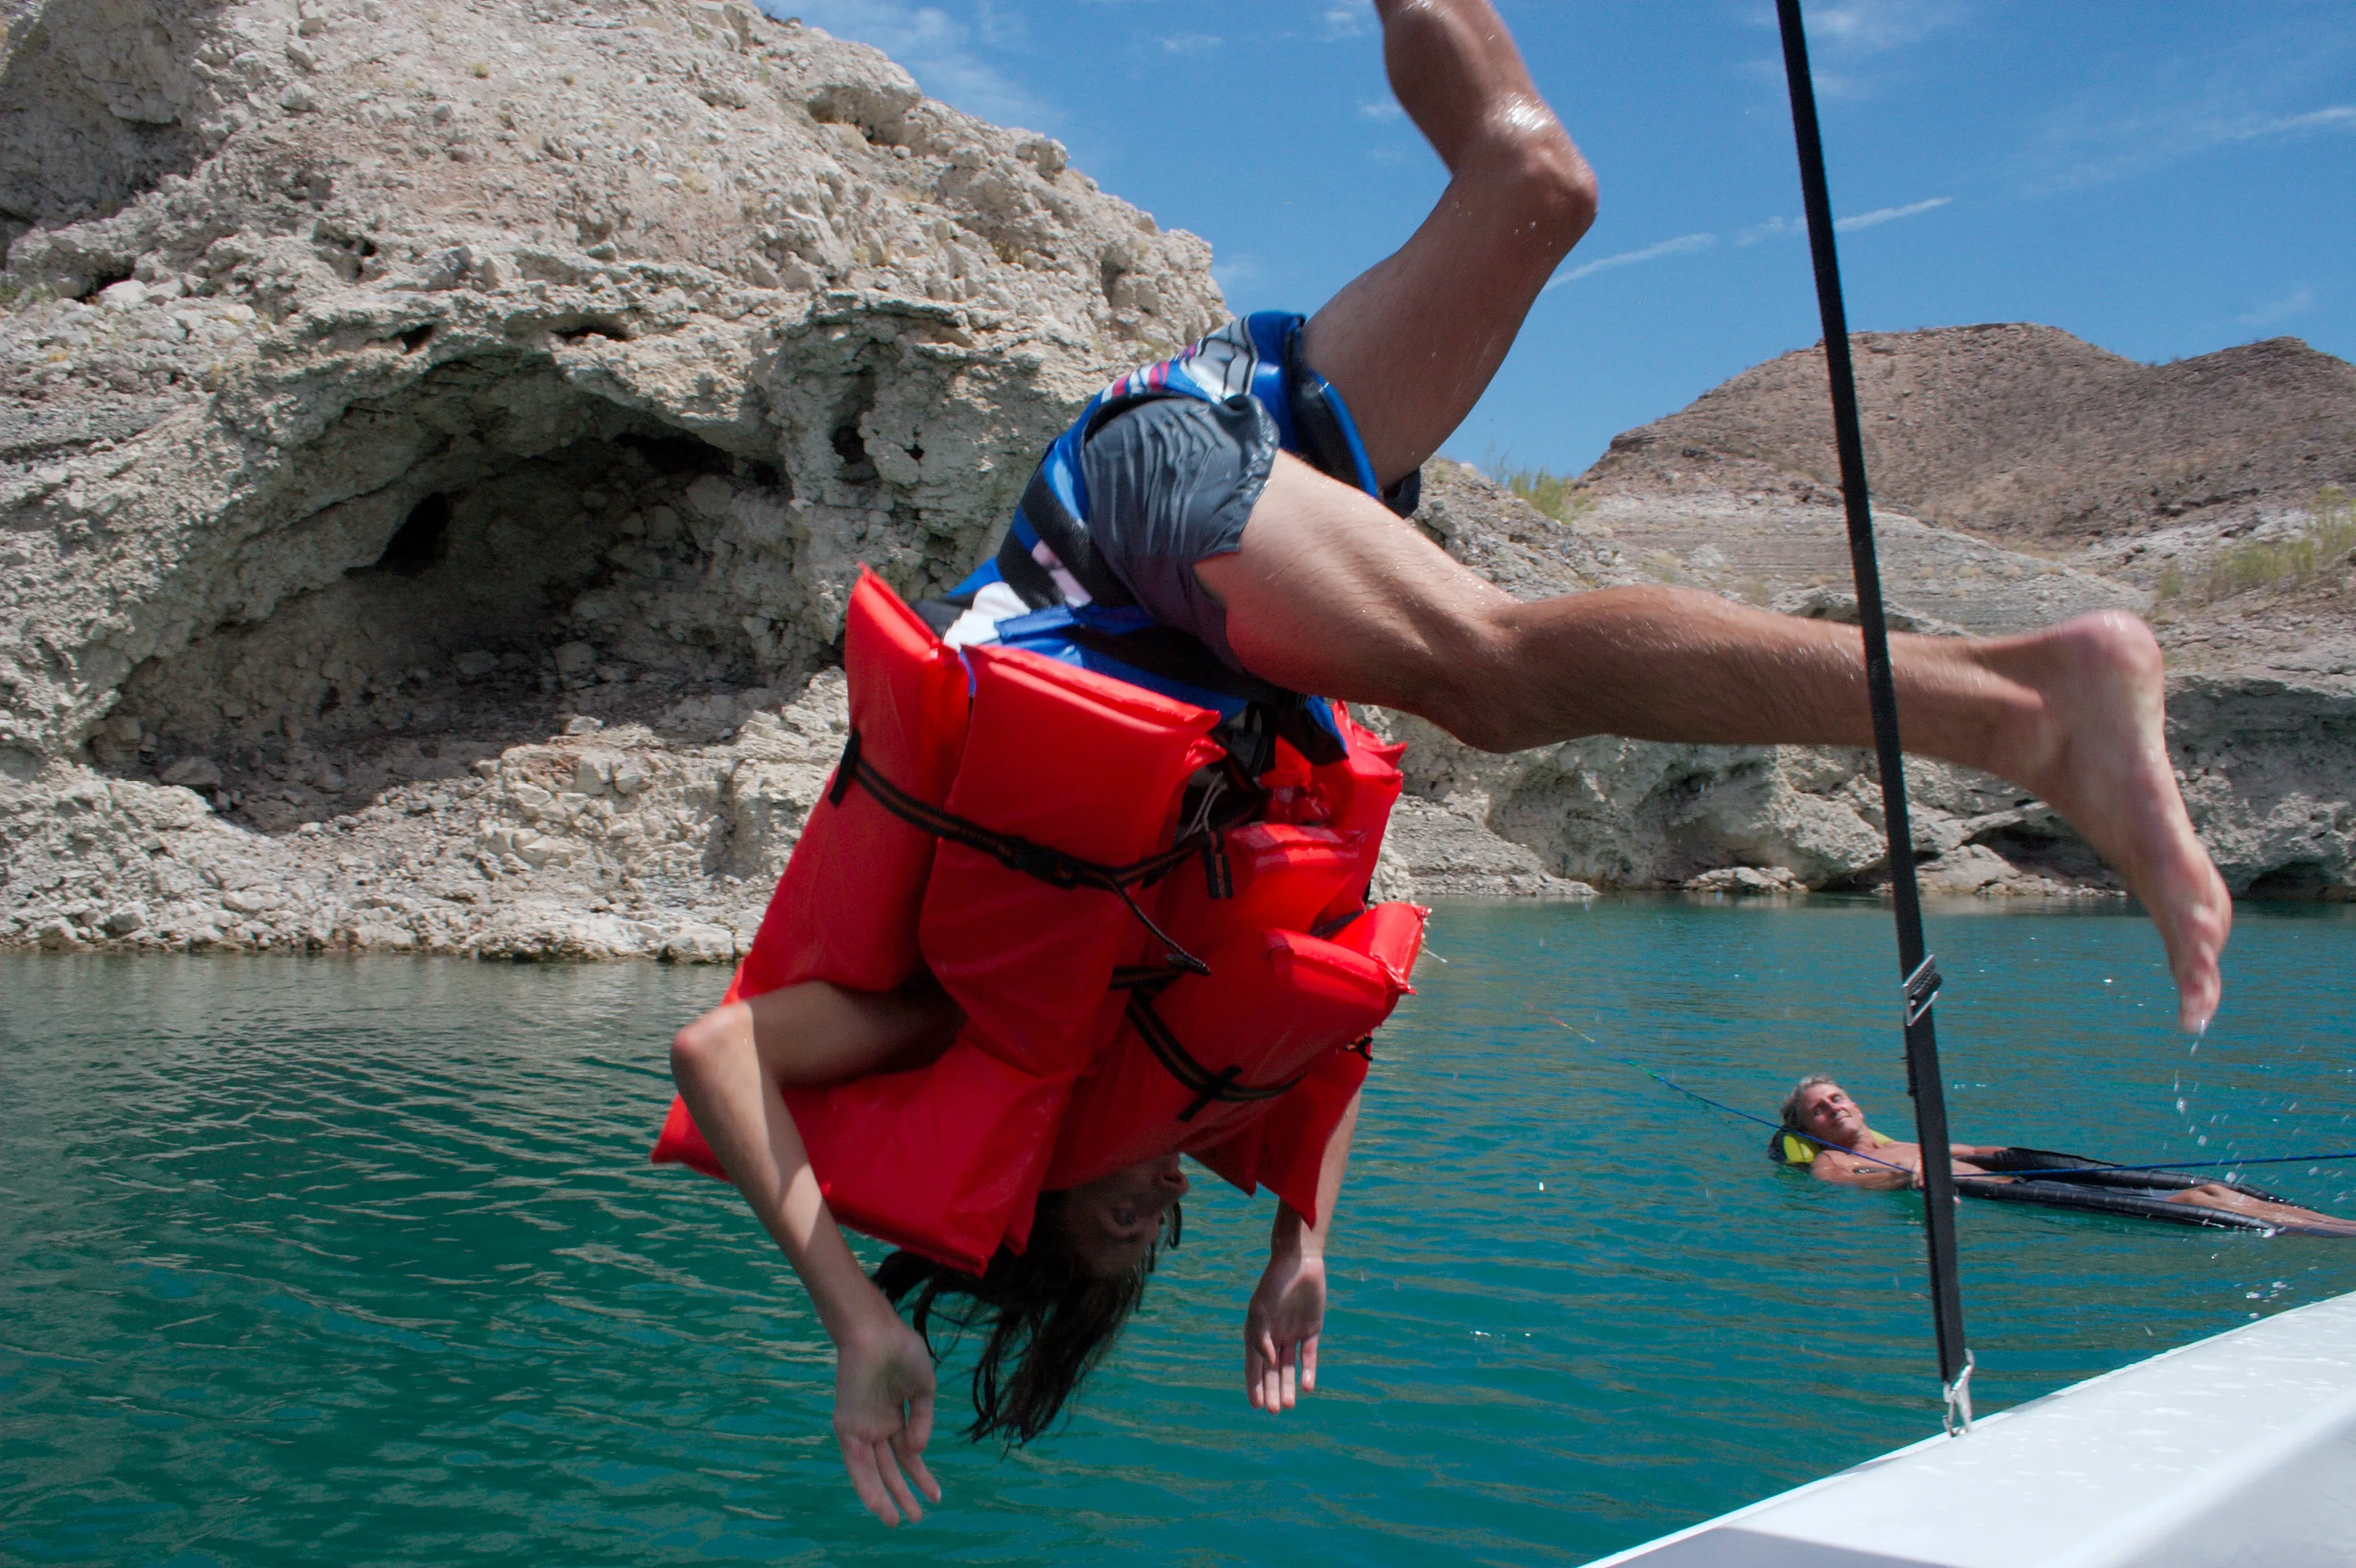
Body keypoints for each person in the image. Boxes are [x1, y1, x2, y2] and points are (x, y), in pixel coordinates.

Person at [673, 0, 2243, 1525]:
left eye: (1105, 1230)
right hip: (1203, 488)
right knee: (1531, 185)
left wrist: (855, 1321)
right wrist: (1302, 1237)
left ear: (1026, 1209)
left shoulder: (954, 1025)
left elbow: (718, 1051)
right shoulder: (1166, 1077)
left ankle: (2026, 708)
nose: (1149, 1221)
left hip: (1126, 527)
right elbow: (1331, 1025)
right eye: (1145, 1252)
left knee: (1487, 675)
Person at [1776, 1074, 2356, 1234]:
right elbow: (1851, 1183)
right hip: (2013, 1200)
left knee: (2225, 1191)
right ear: (1809, 1129)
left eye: (1836, 1097)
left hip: (2023, 1176)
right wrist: (1906, 1179)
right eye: (1819, 1111)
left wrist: (2012, 1152)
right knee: (2204, 1197)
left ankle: (2340, 1228)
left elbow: (1976, 1149)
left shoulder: (1894, 1139)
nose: (1833, 1108)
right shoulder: (1832, 1160)